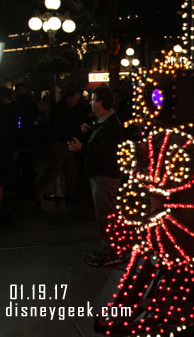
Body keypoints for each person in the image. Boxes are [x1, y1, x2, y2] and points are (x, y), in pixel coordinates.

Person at [68, 85, 123, 267]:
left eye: (92, 99)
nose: (90, 103)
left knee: (106, 213)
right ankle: (109, 248)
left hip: (105, 175)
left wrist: (82, 148)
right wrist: (90, 130)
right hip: (100, 174)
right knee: (104, 212)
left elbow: (104, 151)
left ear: (100, 102)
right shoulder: (103, 122)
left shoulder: (111, 124)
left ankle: (112, 250)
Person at [35, 87, 84, 205]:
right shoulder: (60, 109)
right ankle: (38, 191)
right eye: (76, 99)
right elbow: (59, 127)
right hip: (60, 142)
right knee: (56, 168)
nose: (77, 102)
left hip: (66, 141)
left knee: (70, 169)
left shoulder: (69, 109)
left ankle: (71, 193)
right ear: (69, 98)